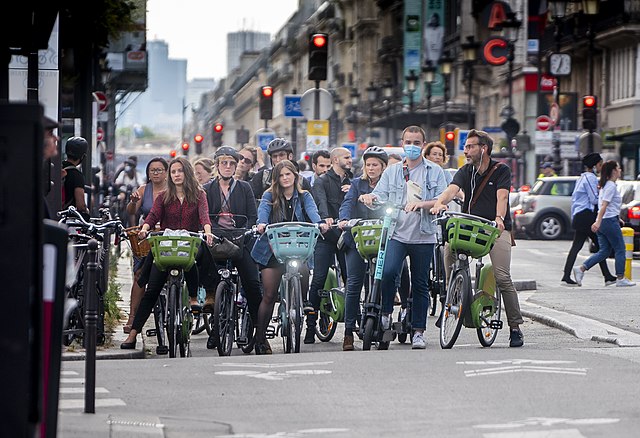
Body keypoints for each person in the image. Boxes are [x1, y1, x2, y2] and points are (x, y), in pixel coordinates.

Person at [431, 129, 525, 348]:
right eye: (465, 147)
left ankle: (515, 327)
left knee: (502, 277)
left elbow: (502, 196)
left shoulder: (500, 170)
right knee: (448, 250)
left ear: (483, 149)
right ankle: (452, 296)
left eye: (470, 146)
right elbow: (452, 190)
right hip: (470, 226)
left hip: (495, 228)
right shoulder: (465, 171)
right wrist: (439, 203)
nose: (466, 150)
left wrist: (499, 218)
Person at [360, 126, 447, 349]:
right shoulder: (392, 171)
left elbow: (441, 200)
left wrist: (424, 204)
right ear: (402, 142)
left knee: (420, 284)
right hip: (397, 232)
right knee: (388, 273)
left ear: (423, 145)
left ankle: (418, 331)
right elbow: (380, 193)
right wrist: (370, 197)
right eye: (408, 142)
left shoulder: (435, 171)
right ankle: (387, 312)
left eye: (417, 143)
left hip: (424, 235)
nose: (412, 146)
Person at [121, 157, 214, 349]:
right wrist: (144, 229)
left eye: (180, 171)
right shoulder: (164, 195)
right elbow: (153, 215)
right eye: (173, 172)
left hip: (188, 245)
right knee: (152, 290)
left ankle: (194, 298)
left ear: (187, 173)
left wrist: (207, 231)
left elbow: (204, 215)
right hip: (166, 246)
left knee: (194, 259)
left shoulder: (198, 195)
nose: (177, 175)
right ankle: (132, 334)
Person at [251, 160, 328, 354]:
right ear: (276, 178)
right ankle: (260, 339)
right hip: (272, 250)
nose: (285, 178)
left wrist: (319, 224)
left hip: (297, 248)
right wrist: (261, 224)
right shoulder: (269, 196)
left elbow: (313, 212)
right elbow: (263, 212)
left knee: (303, 269)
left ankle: (303, 301)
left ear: (295, 176)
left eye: (288, 174)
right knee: (268, 295)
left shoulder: (304, 196)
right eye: (281, 175)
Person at [201, 146, 263, 349]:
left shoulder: (244, 188)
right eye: (223, 163)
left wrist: (248, 230)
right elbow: (203, 215)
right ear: (217, 166)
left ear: (236, 166)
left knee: (252, 283)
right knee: (212, 278)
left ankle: (258, 326)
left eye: (231, 163)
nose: (227, 167)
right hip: (217, 240)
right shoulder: (207, 189)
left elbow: (253, 216)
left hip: (239, 239)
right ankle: (216, 327)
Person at [337, 146, 388, 351]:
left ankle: (384, 322)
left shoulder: (388, 185)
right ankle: (348, 332)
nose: (372, 168)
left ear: (383, 167)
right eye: (369, 164)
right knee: (354, 284)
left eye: (376, 164)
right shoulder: (357, 184)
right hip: (357, 239)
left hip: (381, 240)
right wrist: (344, 219)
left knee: (385, 280)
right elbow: (347, 203)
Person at [305, 147, 353, 344]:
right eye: (347, 157)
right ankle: (310, 326)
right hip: (326, 235)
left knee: (351, 279)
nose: (351, 160)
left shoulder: (353, 181)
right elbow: (321, 202)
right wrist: (326, 219)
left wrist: (354, 191)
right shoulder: (322, 181)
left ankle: (351, 325)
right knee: (318, 279)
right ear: (335, 160)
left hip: (346, 236)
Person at [121, 157, 169, 334]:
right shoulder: (143, 190)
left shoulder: (172, 190)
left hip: (167, 238)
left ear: (166, 173)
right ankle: (132, 317)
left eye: (159, 170)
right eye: (152, 170)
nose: (155, 173)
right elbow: (131, 211)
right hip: (146, 239)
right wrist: (133, 201)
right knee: (139, 275)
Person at [573, 161, 636, 287]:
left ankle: (581, 269)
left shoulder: (605, 185)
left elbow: (609, 206)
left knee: (605, 251)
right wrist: (599, 221)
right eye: (618, 168)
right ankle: (620, 278)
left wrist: (616, 218)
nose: (620, 170)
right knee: (620, 249)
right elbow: (604, 205)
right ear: (613, 171)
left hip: (607, 220)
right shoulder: (610, 186)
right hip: (607, 221)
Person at [562, 153, 616, 286]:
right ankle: (605, 276)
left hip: (580, 216)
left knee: (582, 246)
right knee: (601, 247)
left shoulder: (581, 178)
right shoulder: (590, 178)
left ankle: (567, 276)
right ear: (595, 165)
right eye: (600, 164)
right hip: (586, 216)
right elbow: (593, 198)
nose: (601, 167)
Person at [249, 138, 312, 203]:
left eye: (281, 155)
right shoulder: (262, 177)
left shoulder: (302, 182)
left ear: (290, 156)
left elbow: (311, 205)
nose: (278, 159)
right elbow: (250, 200)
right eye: (274, 156)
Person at [61, 137, 89, 217]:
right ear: (82, 156)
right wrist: (86, 211)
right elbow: (81, 205)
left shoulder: (58, 169)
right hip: (67, 219)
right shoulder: (77, 175)